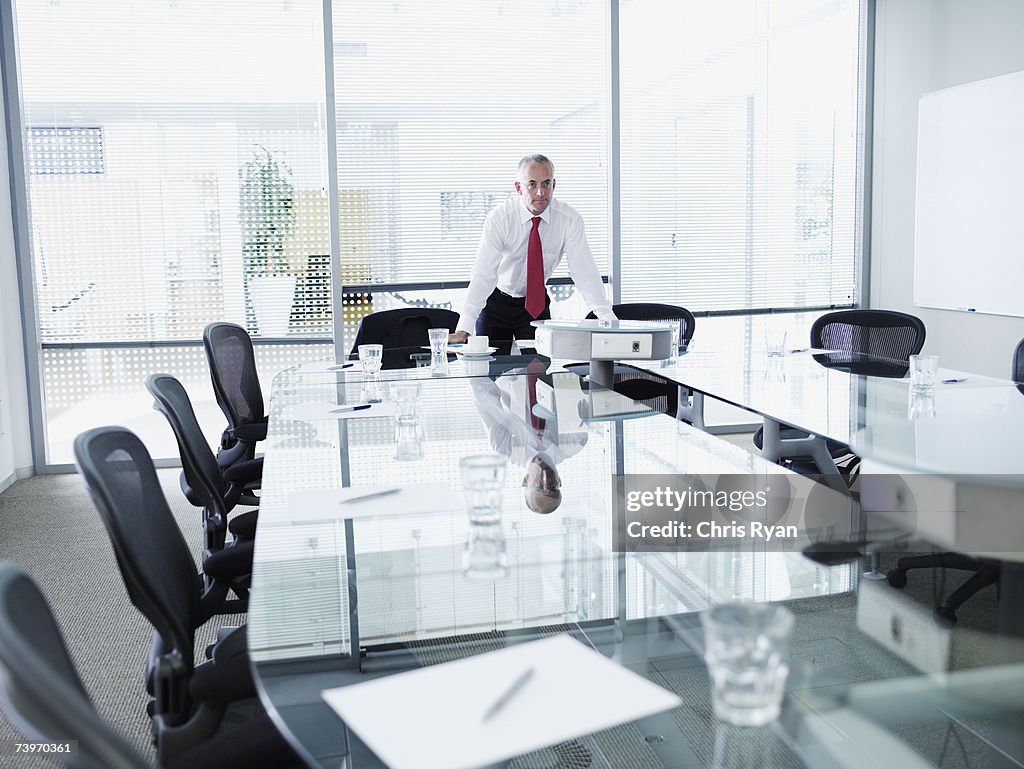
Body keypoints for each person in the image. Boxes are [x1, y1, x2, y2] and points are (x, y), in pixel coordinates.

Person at [450, 154, 615, 345]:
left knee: (539, 369)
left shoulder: (569, 220)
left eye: (546, 184)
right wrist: (464, 327)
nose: (540, 192)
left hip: (535, 305)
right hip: (495, 302)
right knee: (490, 370)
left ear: (554, 185)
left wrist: (608, 320)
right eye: (532, 184)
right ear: (519, 188)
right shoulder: (500, 218)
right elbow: (483, 274)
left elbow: (584, 271)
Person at [470, 359, 589, 514]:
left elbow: (484, 396)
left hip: (504, 361)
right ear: (559, 481)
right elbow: (574, 385)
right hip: (545, 357)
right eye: (552, 487)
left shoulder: (505, 448)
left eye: (539, 487)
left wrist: (474, 354)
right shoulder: (574, 443)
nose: (546, 481)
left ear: (525, 480)